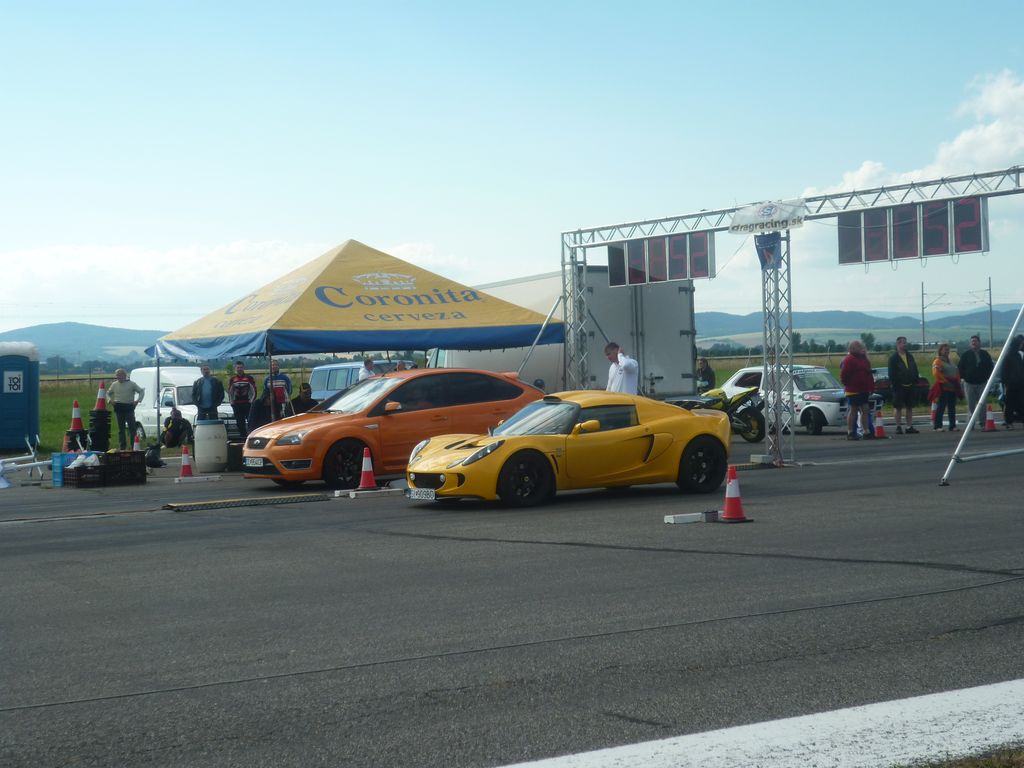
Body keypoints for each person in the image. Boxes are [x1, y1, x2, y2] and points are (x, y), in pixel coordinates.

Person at [957, 335, 995, 429]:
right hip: (969, 383)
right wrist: (963, 377)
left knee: (982, 404)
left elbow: (990, 366)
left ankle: (983, 423)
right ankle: (971, 424)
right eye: (972, 341)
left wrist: (988, 377)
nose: (973, 343)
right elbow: (960, 367)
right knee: (971, 405)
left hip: (982, 383)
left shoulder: (985, 354)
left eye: (975, 341)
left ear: (979, 343)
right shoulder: (966, 355)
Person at [840, 340, 874, 441]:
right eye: (859, 347)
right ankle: (851, 432)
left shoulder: (864, 360)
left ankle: (866, 431)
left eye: (861, 347)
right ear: (852, 349)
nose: (861, 348)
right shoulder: (849, 359)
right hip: (853, 390)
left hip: (863, 389)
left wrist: (871, 387)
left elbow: (868, 374)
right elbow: (843, 375)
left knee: (865, 409)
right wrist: (849, 384)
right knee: (853, 410)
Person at [887, 336, 920, 434]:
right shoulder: (893, 358)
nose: (905, 344)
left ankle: (909, 426)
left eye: (906, 342)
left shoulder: (910, 356)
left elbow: (914, 368)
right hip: (899, 386)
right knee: (898, 407)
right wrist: (895, 384)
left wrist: (915, 380)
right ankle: (898, 426)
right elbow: (891, 373)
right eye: (903, 343)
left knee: (909, 407)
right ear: (898, 344)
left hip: (910, 385)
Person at [107, 368, 145, 450]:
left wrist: (137, 401)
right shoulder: (114, 384)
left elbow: (141, 391)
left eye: (119, 375)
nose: (118, 377)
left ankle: (133, 446)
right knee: (121, 429)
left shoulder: (131, 384)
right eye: (117, 376)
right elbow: (107, 393)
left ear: (124, 375)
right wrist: (110, 401)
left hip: (129, 406)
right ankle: (122, 447)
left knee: (132, 428)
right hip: (118, 406)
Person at [931, 343, 961, 432]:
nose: (947, 351)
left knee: (952, 407)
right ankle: (937, 426)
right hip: (943, 387)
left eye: (948, 350)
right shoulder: (937, 361)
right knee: (941, 407)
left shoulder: (951, 362)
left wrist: (957, 382)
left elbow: (956, 372)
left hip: (952, 387)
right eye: (945, 350)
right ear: (940, 351)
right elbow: (936, 373)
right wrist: (945, 382)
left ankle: (952, 426)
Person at [1000, 334, 1024, 428]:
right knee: (1009, 403)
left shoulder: (1018, 355)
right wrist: (1006, 382)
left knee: (1020, 402)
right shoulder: (1008, 356)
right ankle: (1008, 421)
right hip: (1010, 385)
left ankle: (1019, 418)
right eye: (1020, 344)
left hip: (1020, 384)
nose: (1021, 346)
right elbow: (1004, 371)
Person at [227, 361, 257, 438]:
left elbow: (254, 390)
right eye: (238, 367)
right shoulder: (233, 379)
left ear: (243, 368)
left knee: (250, 421)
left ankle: (251, 436)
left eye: (241, 367)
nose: (239, 369)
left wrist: (251, 401)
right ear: (235, 368)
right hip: (236, 404)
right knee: (239, 422)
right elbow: (230, 391)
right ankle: (243, 437)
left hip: (247, 404)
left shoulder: (249, 378)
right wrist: (231, 402)